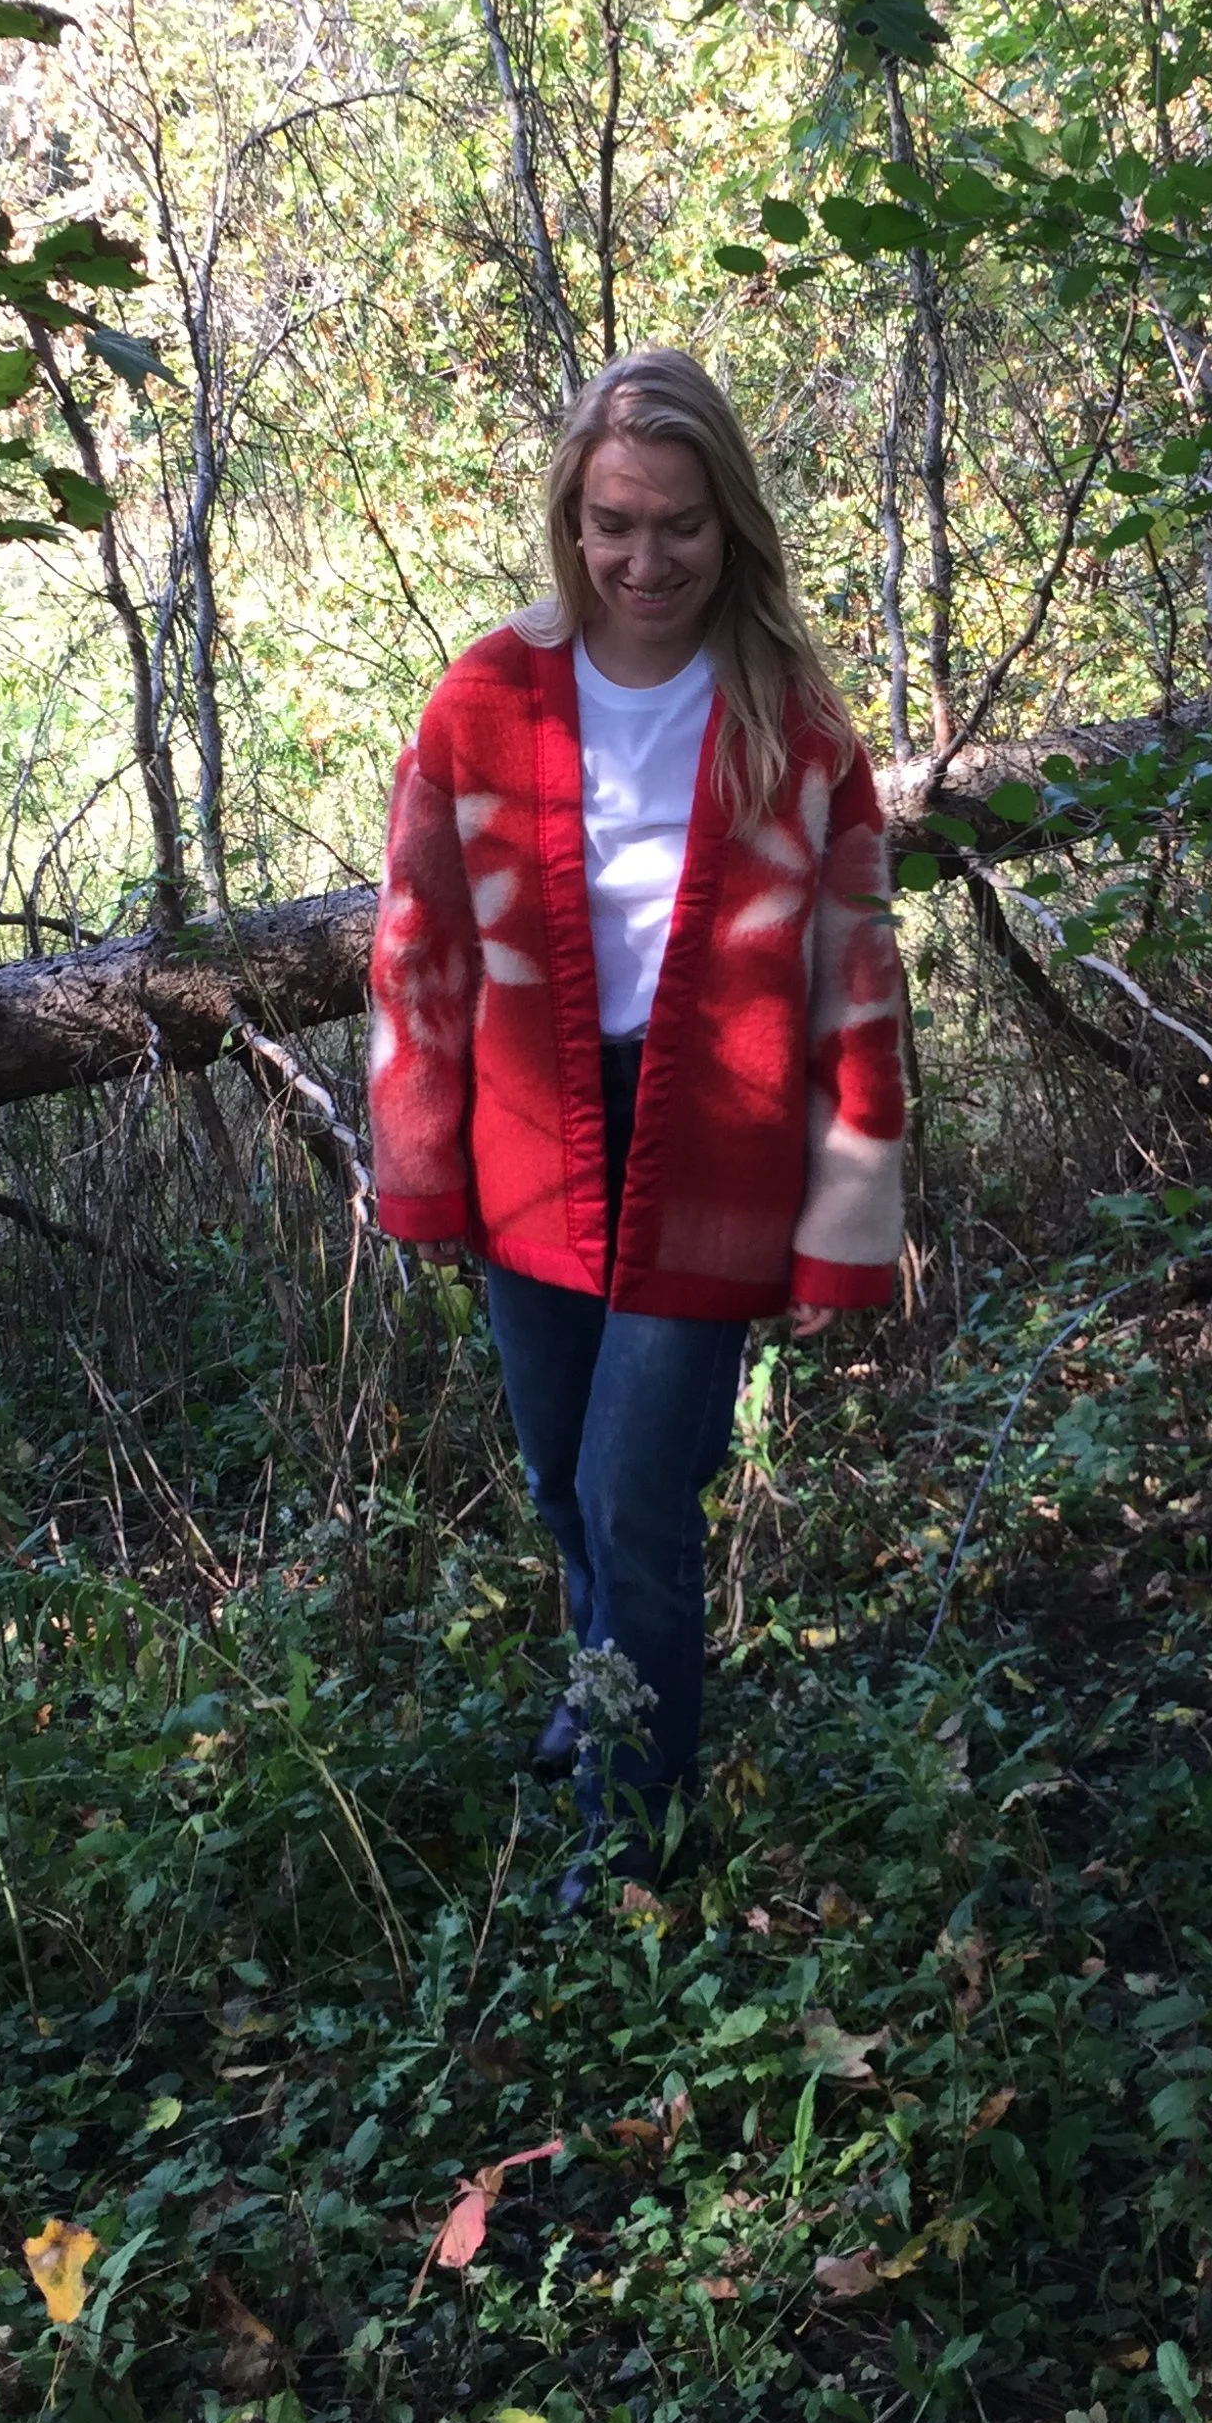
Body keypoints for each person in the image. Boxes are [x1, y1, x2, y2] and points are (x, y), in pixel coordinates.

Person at [366, 348, 907, 1902]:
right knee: (559, 1479)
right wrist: (419, 1160)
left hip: (717, 1154)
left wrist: (843, 1221)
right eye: (615, 524)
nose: (645, 561)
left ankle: (631, 1839)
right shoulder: (487, 698)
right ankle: (604, 1669)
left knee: (633, 1493)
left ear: (730, 526)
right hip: (532, 1138)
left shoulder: (793, 724)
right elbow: (419, 945)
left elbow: (854, 982)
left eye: (679, 526)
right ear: (570, 521)